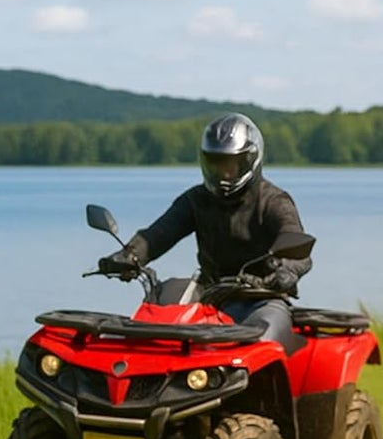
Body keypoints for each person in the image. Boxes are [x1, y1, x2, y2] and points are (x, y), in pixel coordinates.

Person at [98, 113, 310, 348]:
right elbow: (159, 233)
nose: (223, 172)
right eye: (215, 163)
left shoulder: (273, 202)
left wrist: (286, 271)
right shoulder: (197, 200)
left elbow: (298, 249)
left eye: (230, 164)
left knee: (263, 338)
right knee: (161, 311)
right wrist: (130, 255)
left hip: (261, 297)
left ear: (250, 160)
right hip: (209, 293)